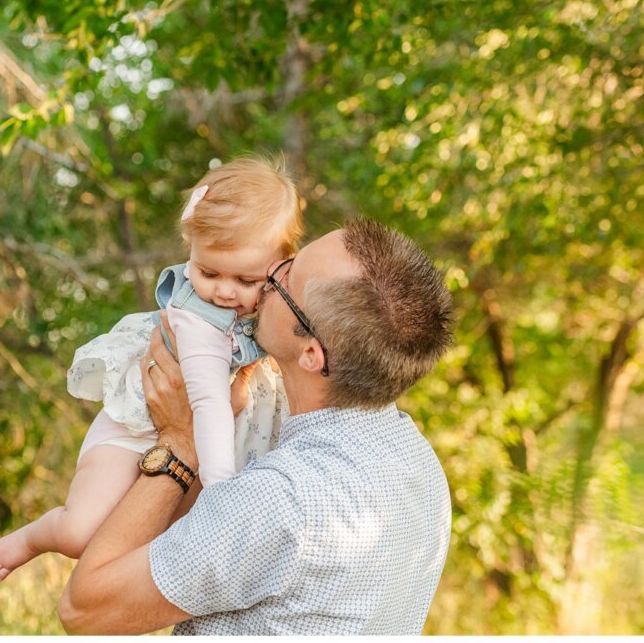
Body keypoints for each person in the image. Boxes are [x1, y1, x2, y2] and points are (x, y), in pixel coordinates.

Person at [57, 216, 455, 635]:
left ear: (311, 354)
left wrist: (181, 443)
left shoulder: (278, 499)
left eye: (285, 278)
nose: (268, 275)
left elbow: (84, 608)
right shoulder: (422, 467)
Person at [0, 157, 303, 582]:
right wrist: (222, 491)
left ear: (283, 265)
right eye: (208, 272)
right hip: (134, 433)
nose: (223, 292)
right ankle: (34, 537)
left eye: (246, 281)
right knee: (83, 534)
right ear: (189, 245)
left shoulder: (276, 305)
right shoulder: (199, 320)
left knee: (163, 549)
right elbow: (208, 404)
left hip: (197, 444)